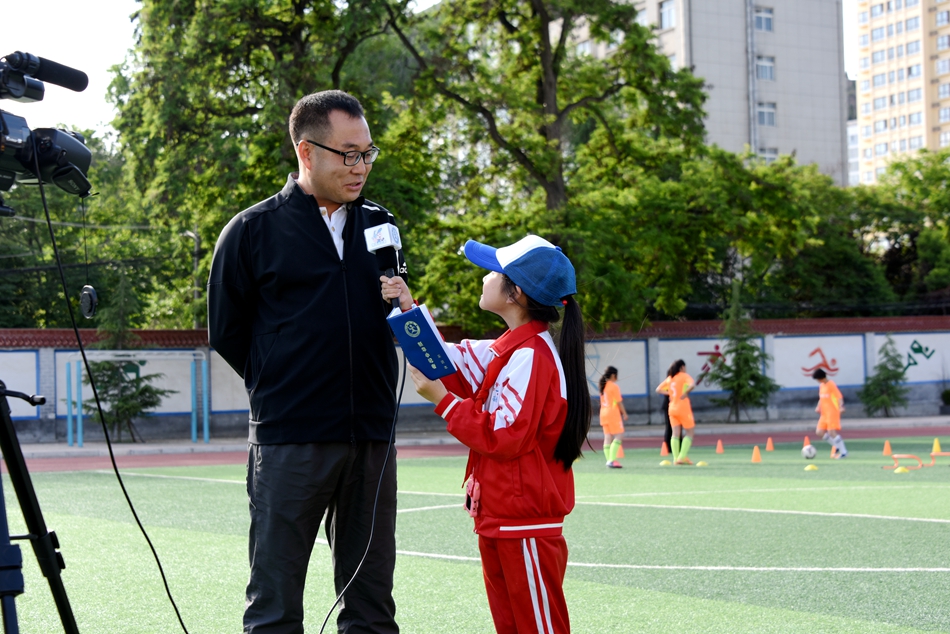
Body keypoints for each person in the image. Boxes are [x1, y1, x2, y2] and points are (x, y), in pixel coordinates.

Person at [208, 90, 402, 634]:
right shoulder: (250, 231)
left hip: (371, 437)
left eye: (367, 153)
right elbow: (227, 331)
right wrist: (289, 382)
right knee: (274, 603)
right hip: (289, 438)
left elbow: (391, 311)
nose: (360, 166)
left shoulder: (382, 224)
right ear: (306, 151)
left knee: (372, 603)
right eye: (347, 153)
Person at [381, 234, 591, 634]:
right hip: (502, 514)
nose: (483, 278)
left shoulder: (530, 355)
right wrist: (407, 307)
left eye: (493, 271)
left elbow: (504, 434)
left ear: (517, 293)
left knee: (537, 625)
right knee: (511, 624)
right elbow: (447, 360)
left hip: (524, 517)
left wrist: (443, 401)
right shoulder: (510, 350)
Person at [666, 359, 696, 465]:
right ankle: (682, 457)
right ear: (682, 367)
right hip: (683, 407)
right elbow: (692, 384)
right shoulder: (684, 376)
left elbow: (658, 389)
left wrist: (669, 394)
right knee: (690, 432)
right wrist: (686, 392)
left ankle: (675, 458)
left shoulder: (670, 378)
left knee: (675, 433)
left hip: (672, 408)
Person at [813, 369, 848, 458]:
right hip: (824, 414)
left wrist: (841, 406)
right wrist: (818, 406)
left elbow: (839, 396)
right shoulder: (821, 386)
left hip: (832, 412)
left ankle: (844, 452)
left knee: (831, 432)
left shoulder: (831, 384)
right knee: (819, 432)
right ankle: (836, 446)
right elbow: (821, 398)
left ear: (821, 378)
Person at [599, 366, 628, 468]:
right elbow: (619, 402)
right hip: (612, 413)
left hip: (603, 413)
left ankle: (609, 460)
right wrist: (624, 413)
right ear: (613, 375)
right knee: (619, 435)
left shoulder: (603, 386)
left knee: (607, 437)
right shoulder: (613, 386)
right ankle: (612, 460)